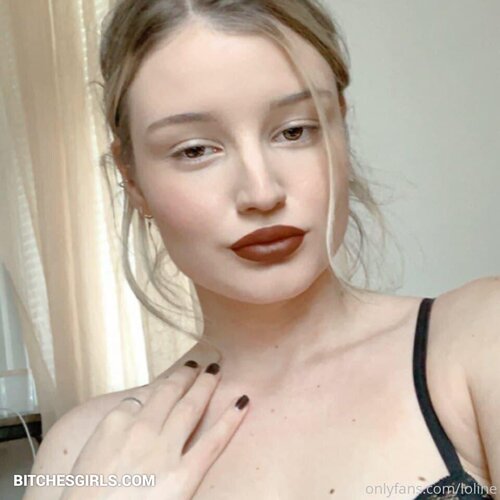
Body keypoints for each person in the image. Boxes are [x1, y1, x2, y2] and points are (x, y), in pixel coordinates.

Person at [25, 0, 499, 499]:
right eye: (195, 150)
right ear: (133, 178)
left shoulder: (474, 343)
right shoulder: (78, 453)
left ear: (340, 126)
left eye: (294, 131)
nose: (261, 192)